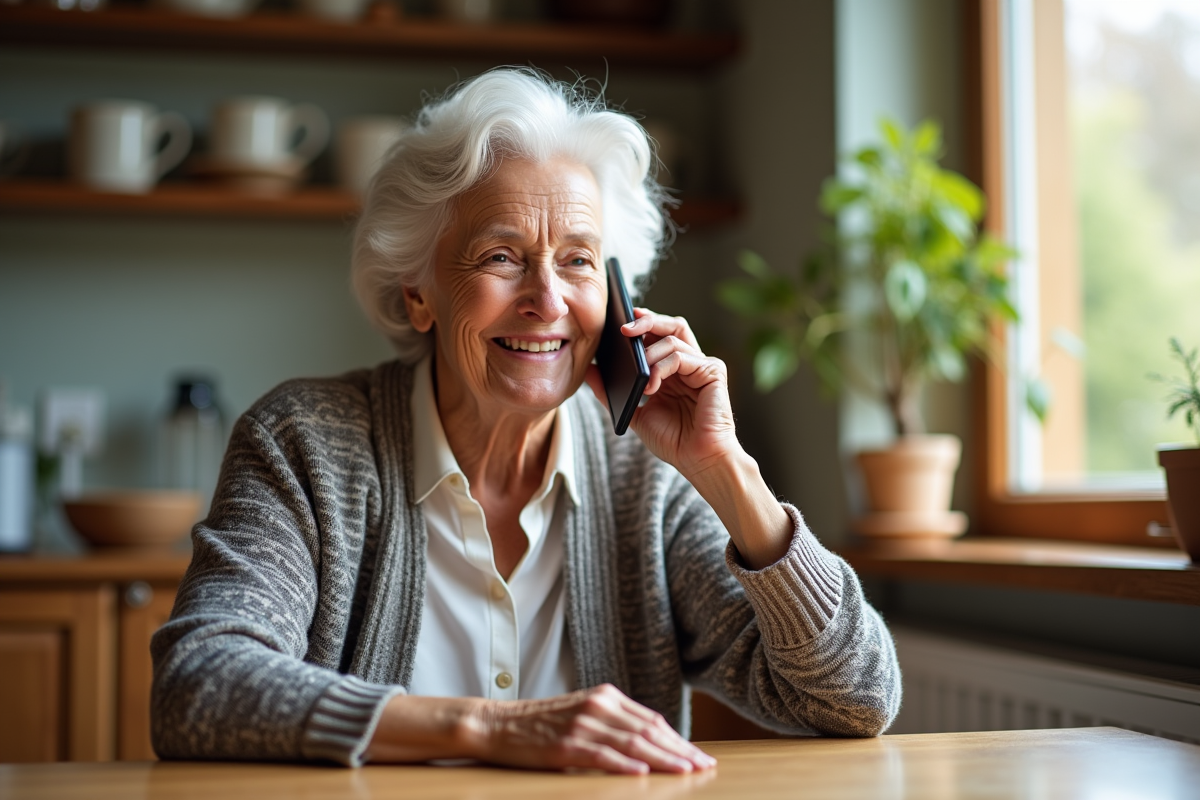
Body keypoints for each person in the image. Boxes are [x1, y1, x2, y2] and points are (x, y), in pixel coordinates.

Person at [150, 68, 901, 774]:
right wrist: (488, 728)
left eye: (578, 261)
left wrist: (725, 471)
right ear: (419, 294)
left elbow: (856, 699)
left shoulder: (649, 480)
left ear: (615, 299)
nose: (547, 300)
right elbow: (199, 683)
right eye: (502, 256)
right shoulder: (304, 442)